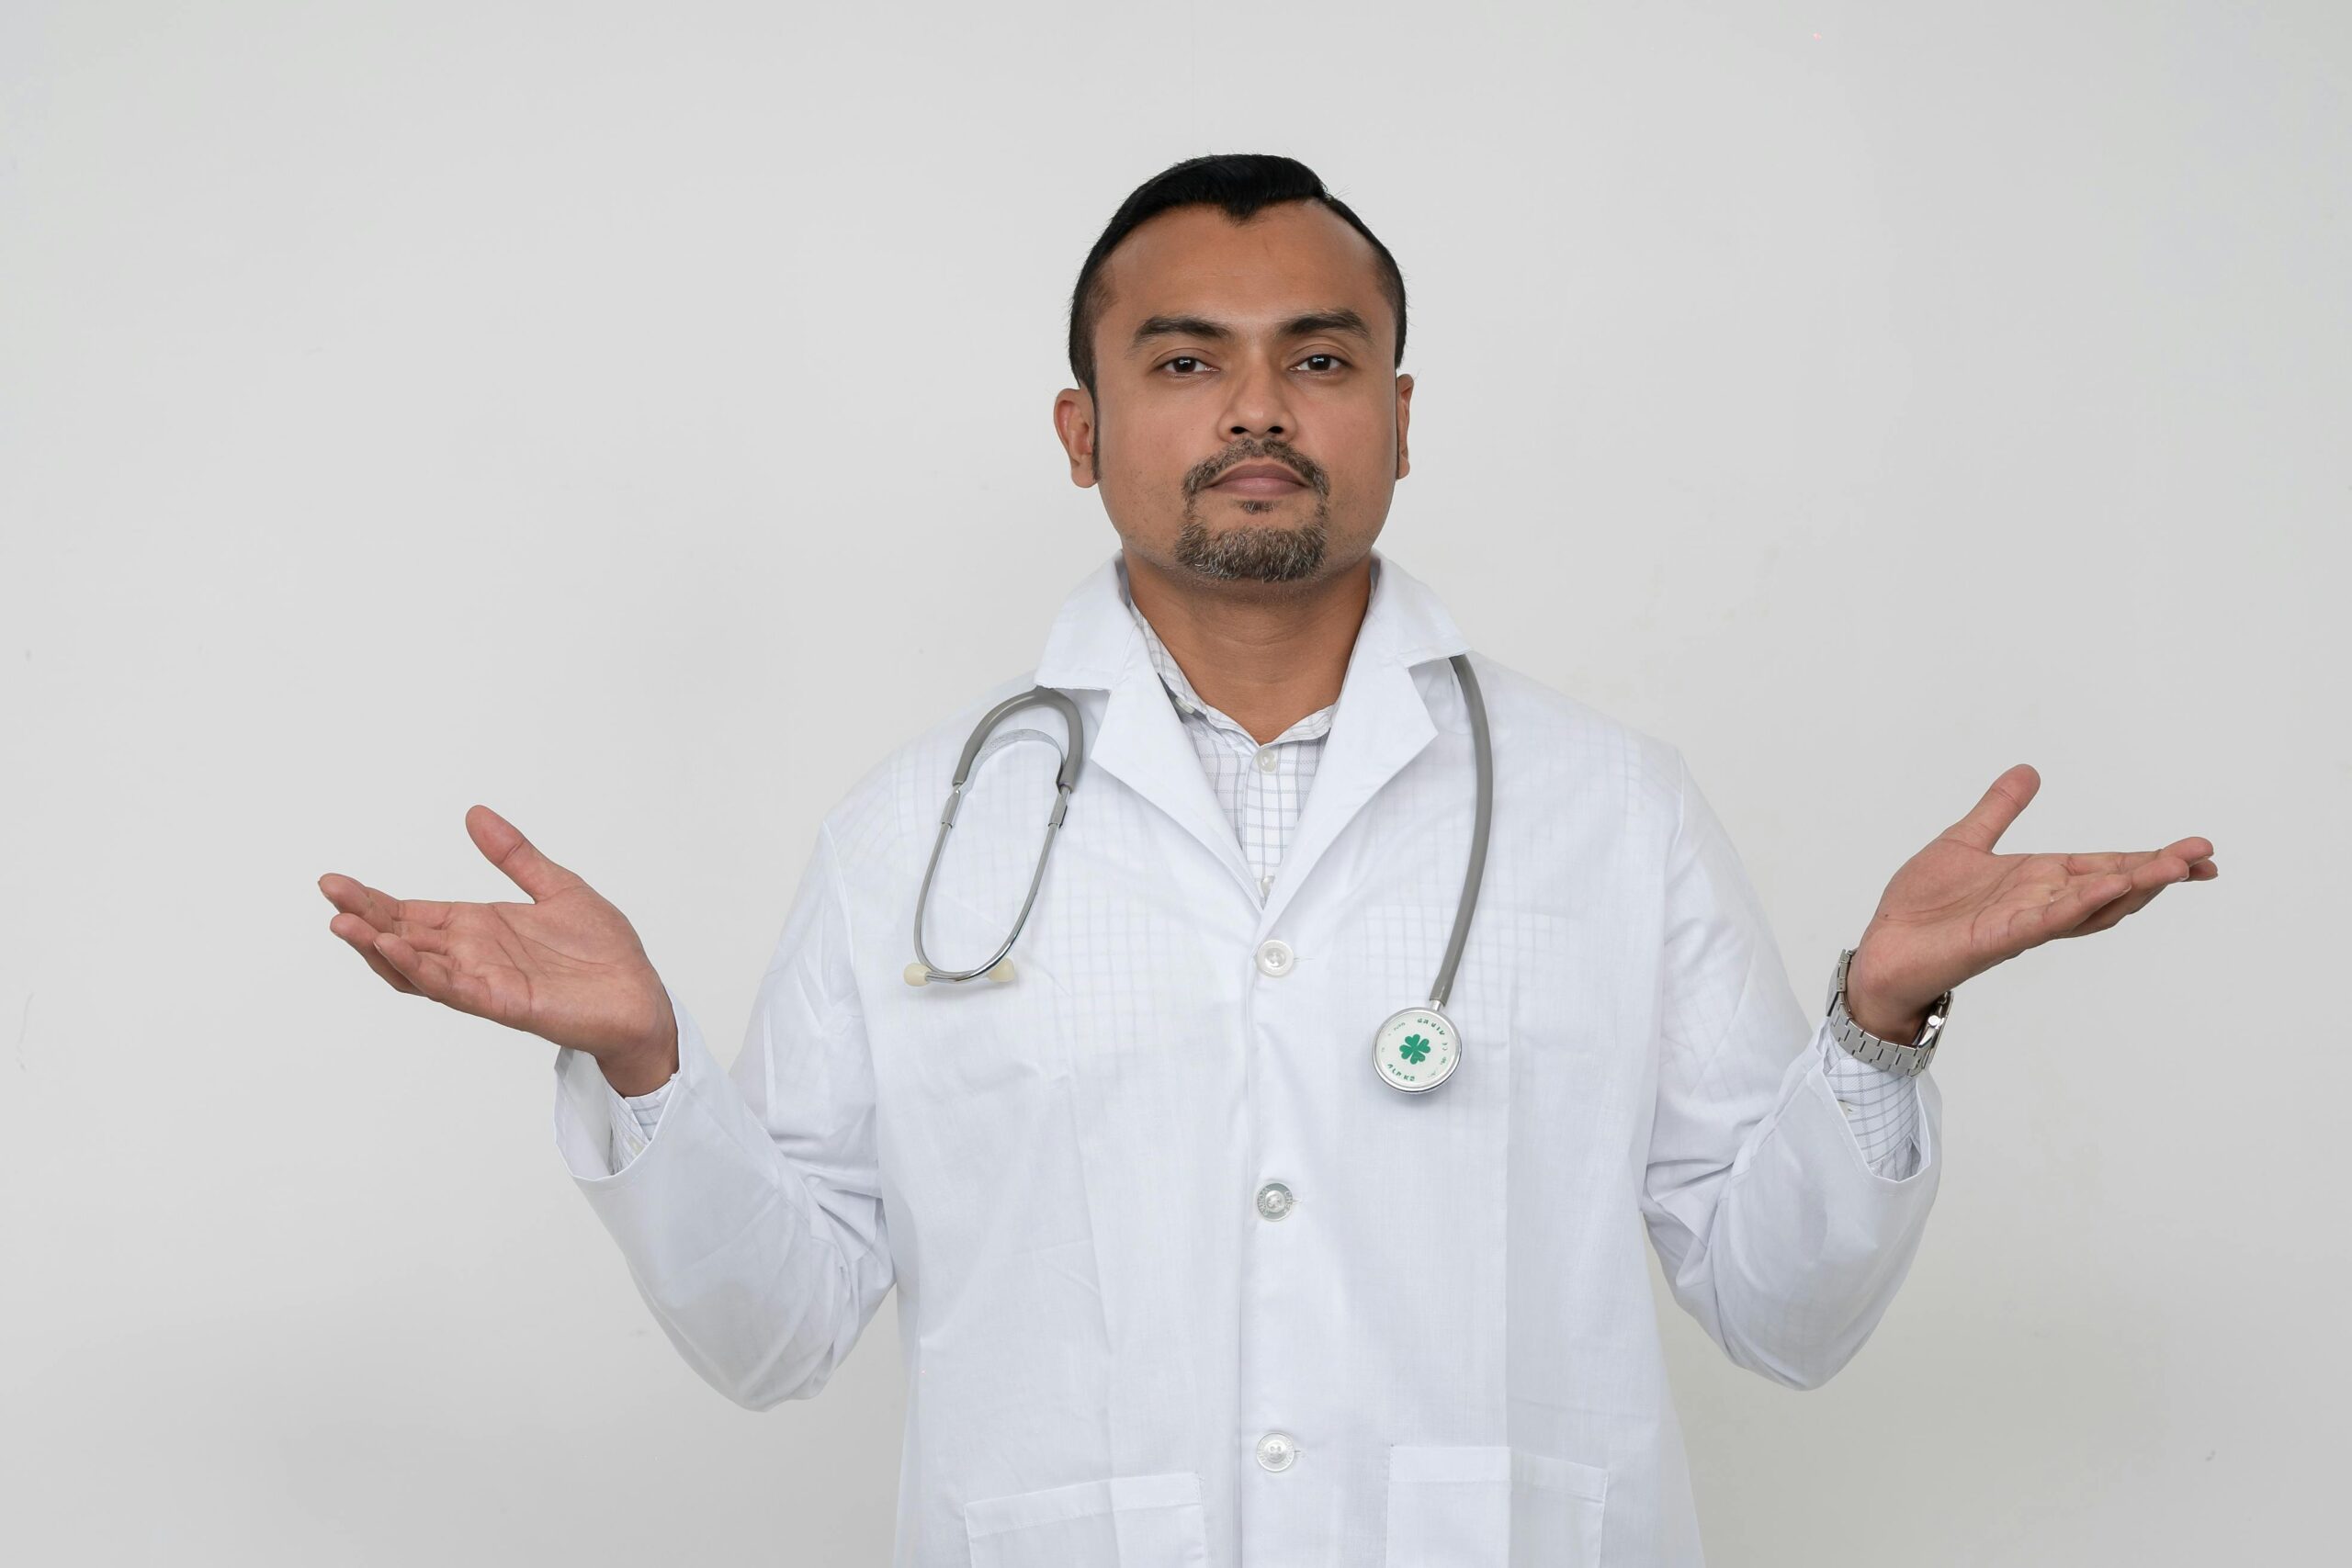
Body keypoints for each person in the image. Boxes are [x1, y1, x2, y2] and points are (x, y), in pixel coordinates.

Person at [317, 153, 2217, 1566]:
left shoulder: (1601, 807)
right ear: (1082, 430)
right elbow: (775, 1327)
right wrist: (649, 1069)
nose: (1252, 408)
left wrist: (1877, 1026)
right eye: (1183, 360)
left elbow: (1782, 1307)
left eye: (1318, 357)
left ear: (1397, 417)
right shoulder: (914, 835)